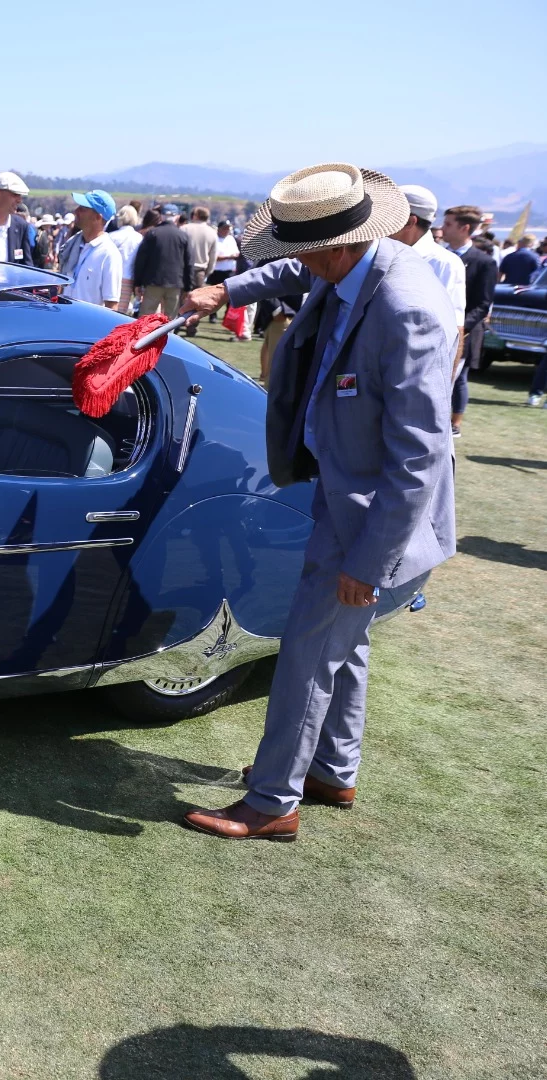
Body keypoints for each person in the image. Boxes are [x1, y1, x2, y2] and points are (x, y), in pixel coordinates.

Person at [177, 163, 455, 842]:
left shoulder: (405, 308)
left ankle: (272, 802)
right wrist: (225, 289)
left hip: (371, 515)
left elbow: (418, 454)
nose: (293, 261)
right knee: (343, 643)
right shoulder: (349, 264)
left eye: (300, 249)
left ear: (335, 245)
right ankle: (332, 770)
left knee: (306, 651)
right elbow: (282, 274)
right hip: (341, 486)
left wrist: (370, 562)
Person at [443, 204, 496, 438]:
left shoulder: (483, 262)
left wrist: (459, 327)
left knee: (457, 379)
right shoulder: (439, 256)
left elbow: (483, 303)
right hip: (435, 330)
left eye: (448, 224)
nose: (443, 228)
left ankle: (455, 421)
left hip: (463, 332)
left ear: (464, 228)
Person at [389, 185, 463, 345]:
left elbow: (453, 328)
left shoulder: (444, 263)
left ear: (409, 222)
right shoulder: (383, 251)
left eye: (388, 215)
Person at [57, 190, 121, 309]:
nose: (76, 211)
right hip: (64, 316)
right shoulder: (73, 244)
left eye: (83, 209)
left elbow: (111, 305)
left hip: (87, 320)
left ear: (97, 217)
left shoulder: (109, 254)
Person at [132, 208, 195, 317]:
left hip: (153, 282)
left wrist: (138, 282)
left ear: (161, 216)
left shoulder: (152, 233)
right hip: (175, 282)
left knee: (145, 317)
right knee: (170, 318)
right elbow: (189, 263)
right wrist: (188, 287)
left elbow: (141, 260)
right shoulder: (183, 236)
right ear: (177, 217)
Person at [181, 206, 219, 334]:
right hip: (200, 270)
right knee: (197, 301)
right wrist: (208, 271)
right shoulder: (212, 233)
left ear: (195, 215)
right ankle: (191, 326)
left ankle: (175, 326)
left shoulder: (185, 228)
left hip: (183, 269)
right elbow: (213, 256)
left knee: (180, 298)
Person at [109, 205, 143, 300]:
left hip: (111, 277)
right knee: (122, 308)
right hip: (128, 278)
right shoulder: (139, 238)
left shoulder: (111, 236)